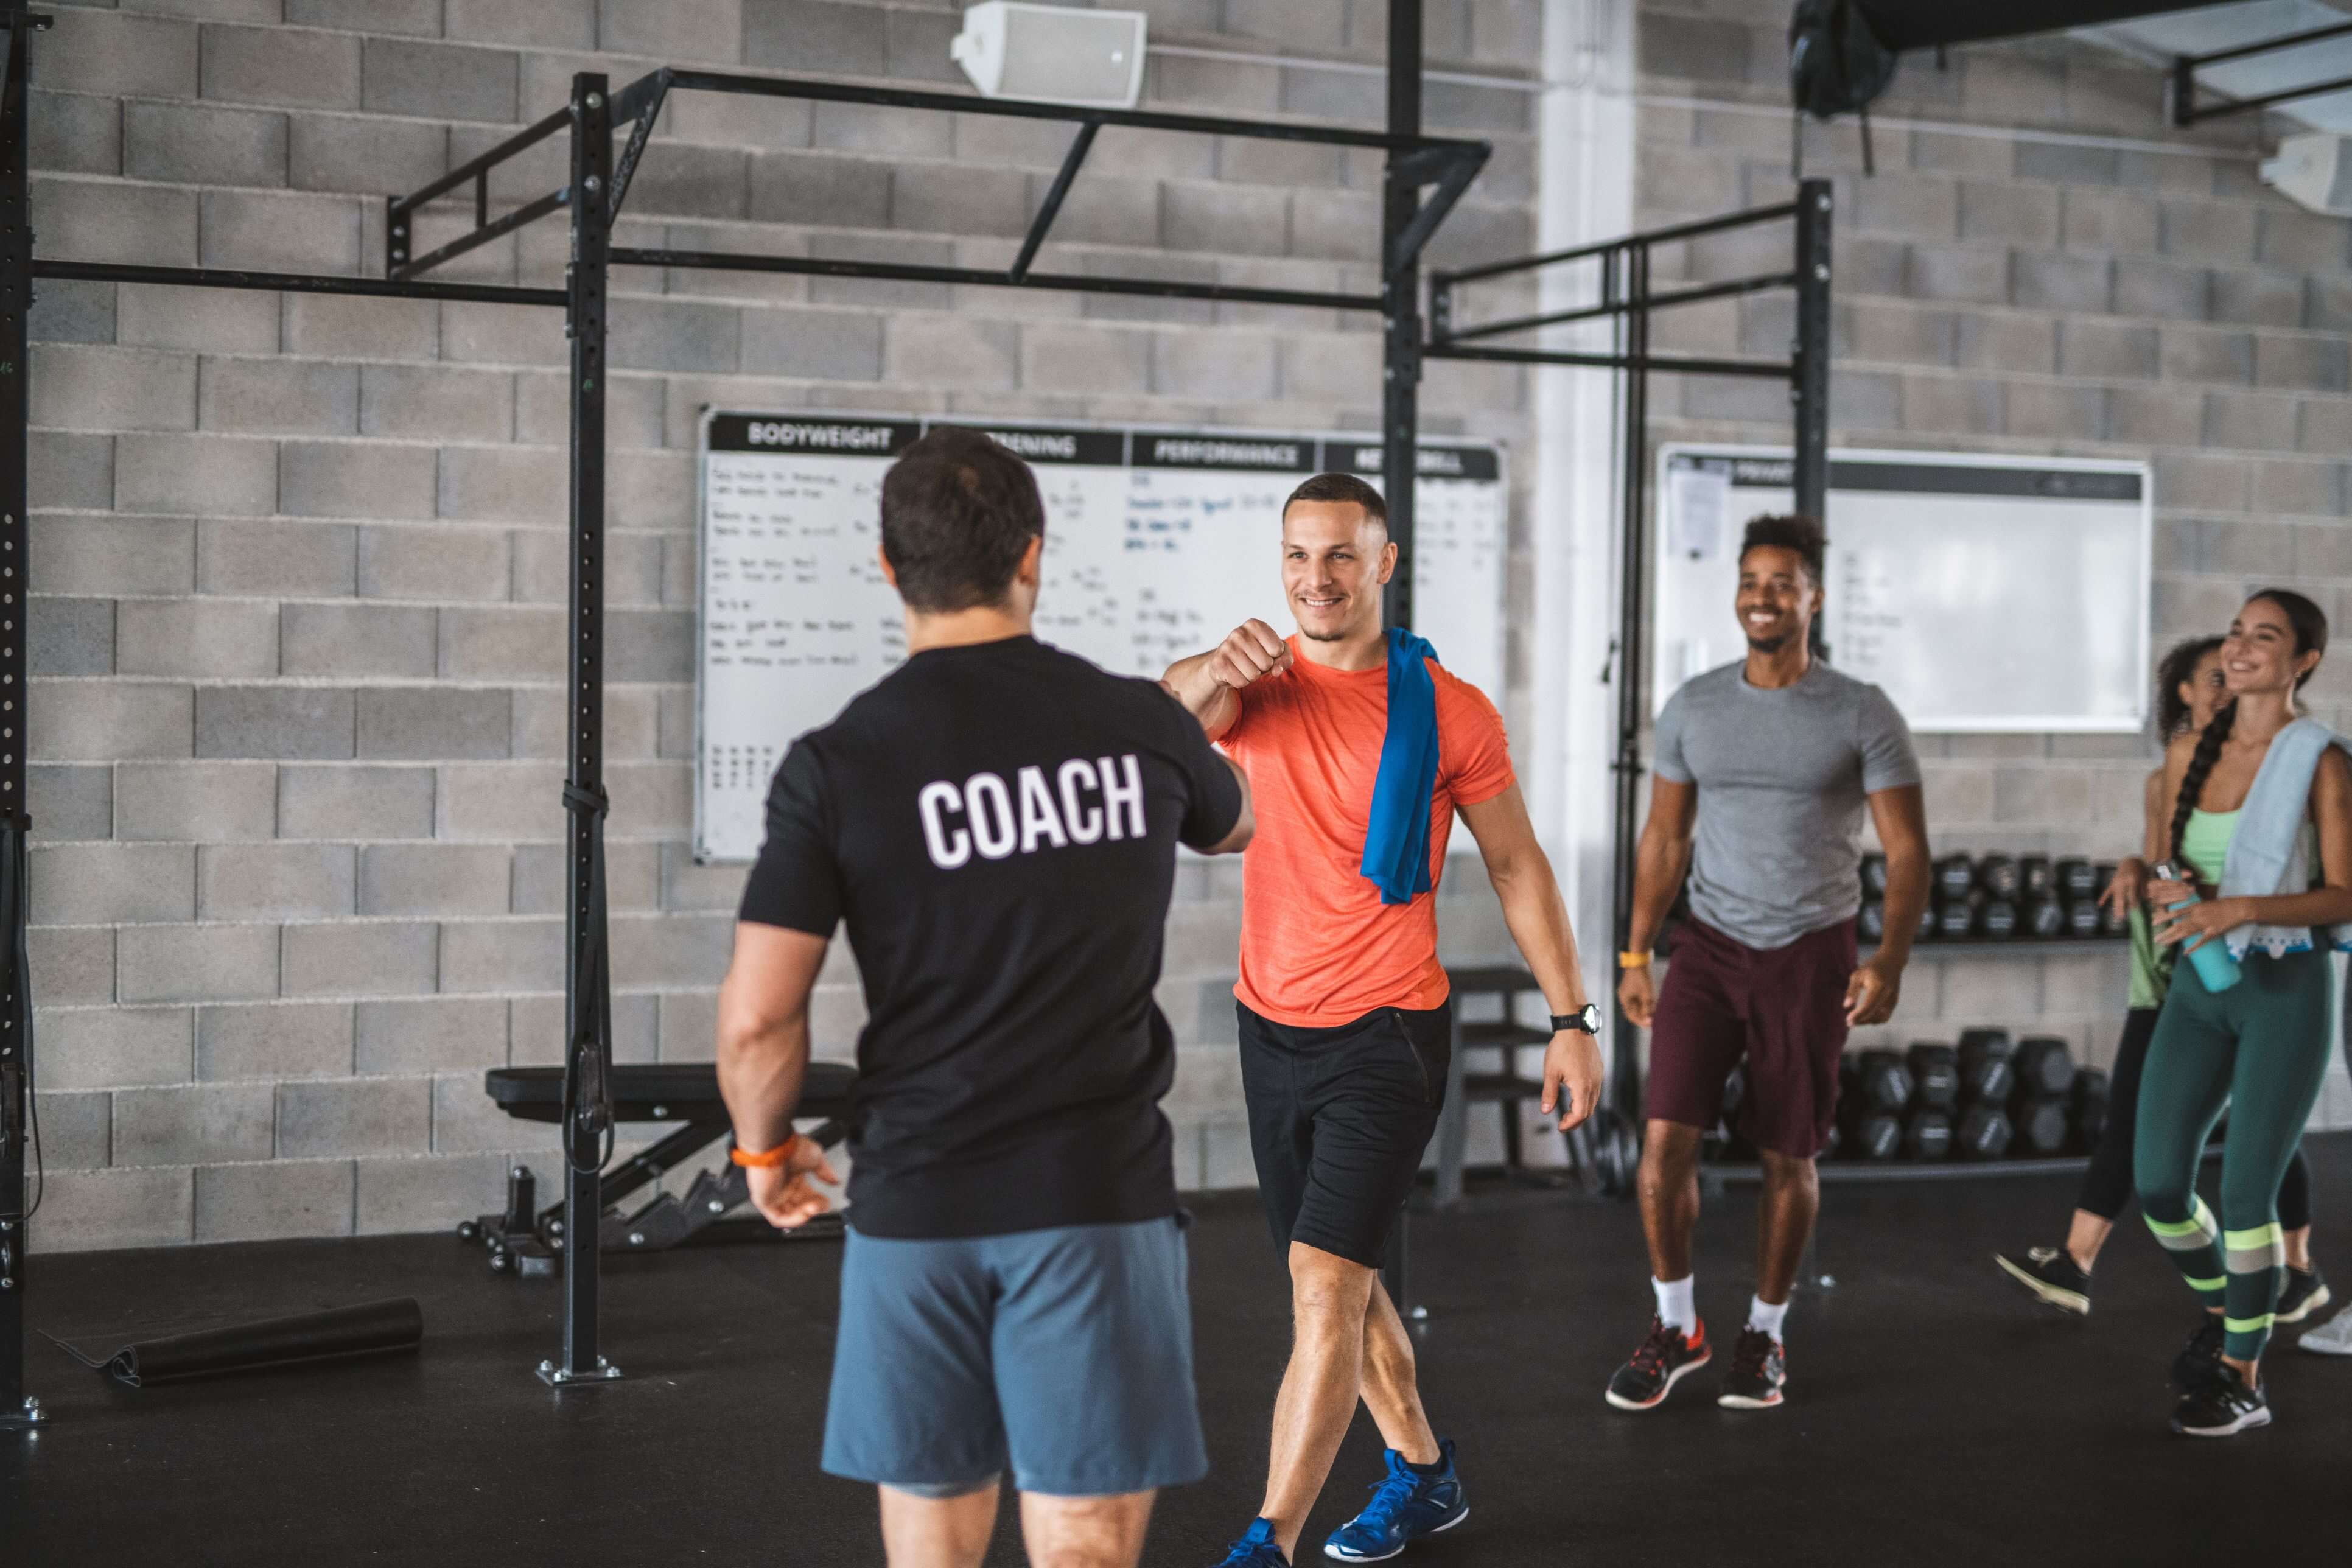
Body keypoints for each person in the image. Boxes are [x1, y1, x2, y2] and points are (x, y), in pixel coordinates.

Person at [715, 428, 1255, 1568]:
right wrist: (1181, 706)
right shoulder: (1137, 724)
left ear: (885, 567)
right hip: (1093, 1198)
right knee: (1083, 1552)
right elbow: (1236, 819)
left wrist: (765, 1156)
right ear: (1031, 556)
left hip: (916, 1202)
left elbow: (759, 1017)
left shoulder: (838, 760)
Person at [1163, 472, 1604, 1568]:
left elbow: (1515, 865)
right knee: (1344, 1292)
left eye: (1341, 556)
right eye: (1298, 556)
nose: (1316, 579)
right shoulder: (1249, 693)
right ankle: (1421, 1473)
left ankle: (1267, 1539)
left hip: (1386, 1037)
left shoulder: (1449, 709)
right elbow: (1159, 720)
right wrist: (1212, 666)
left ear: (1384, 563)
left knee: (1323, 1286)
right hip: (1269, 1027)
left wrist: (1571, 1016)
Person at [1612, 513, 1929, 1413]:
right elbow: (1665, 836)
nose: (1762, 597)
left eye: (1781, 583)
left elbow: (1907, 852)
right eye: (1751, 582)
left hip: (1809, 950)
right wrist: (1637, 951)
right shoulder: (1695, 706)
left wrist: (1890, 958)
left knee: (1788, 1153)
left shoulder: (1860, 709)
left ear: (1813, 599)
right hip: (1707, 947)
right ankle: (1679, 1325)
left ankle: (1764, 1332)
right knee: (1661, 1145)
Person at [1997, 636, 2328, 1322]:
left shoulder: (2293, 767)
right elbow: (2164, 864)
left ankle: (2283, 1277)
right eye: (2211, 677)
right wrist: (2133, 867)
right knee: (2150, 1141)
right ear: (2182, 691)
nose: (2224, 686)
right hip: (2175, 974)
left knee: (2260, 1142)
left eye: (2233, 675)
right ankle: (2242, 1288)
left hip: (2264, 976)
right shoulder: (2172, 774)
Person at [2132, 587, 2352, 1437]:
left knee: (2251, 1189)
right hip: (2200, 985)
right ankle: (2239, 1307)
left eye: (2266, 636)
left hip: (2285, 993)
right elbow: (2166, 861)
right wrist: (2170, 893)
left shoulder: (2321, 761)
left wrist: (2240, 909)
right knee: (2159, 1184)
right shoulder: (2187, 753)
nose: (2241, 647)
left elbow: (2344, 893)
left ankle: (2242, 1378)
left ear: (2303, 662)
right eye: (2235, 632)